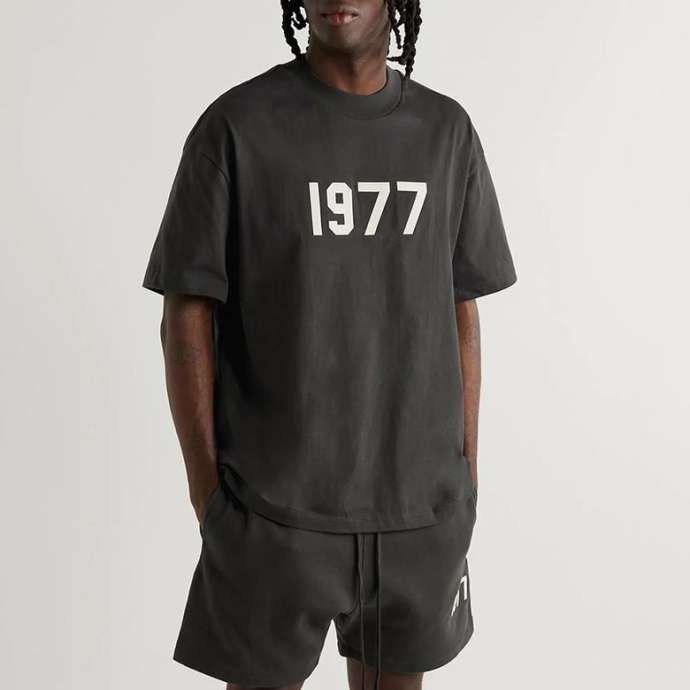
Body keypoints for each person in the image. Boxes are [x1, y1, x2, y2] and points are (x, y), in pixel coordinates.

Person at [142, 1, 516, 688]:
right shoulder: (237, 126)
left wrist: (464, 476)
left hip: (416, 514)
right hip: (273, 514)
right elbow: (186, 310)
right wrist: (208, 495)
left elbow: (460, 304)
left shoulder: (446, 131)